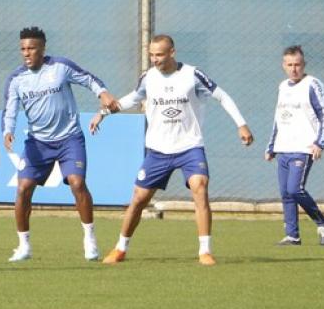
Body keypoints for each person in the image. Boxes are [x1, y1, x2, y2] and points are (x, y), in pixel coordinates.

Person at [90, 34, 253, 266]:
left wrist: (241, 124)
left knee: (200, 187)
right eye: (151, 55)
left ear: (172, 53)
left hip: (189, 147)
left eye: (159, 55)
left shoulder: (192, 75)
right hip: (158, 150)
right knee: (138, 199)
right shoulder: (148, 77)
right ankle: (120, 248)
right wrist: (103, 113)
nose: (155, 59)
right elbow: (132, 99)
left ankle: (205, 251)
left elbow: (222, 96)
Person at [2, 26, 119, 263]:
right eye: (23, 49)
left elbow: (88, 79)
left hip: (69, 138)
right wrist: (7, 130)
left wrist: (103, 94)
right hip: (38, 142)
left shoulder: (60, 67)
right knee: (23, 188)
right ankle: (23, 246)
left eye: (31, 48)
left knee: (77, 183)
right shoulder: (16, 79)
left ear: (42, 49)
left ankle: (89, 238)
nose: (26, 53)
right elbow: (10, 109)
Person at [265, 45, 324, 247]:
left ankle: (323, 222)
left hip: (303, 148)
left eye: (297, 64)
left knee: (295, 189)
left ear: (304, 65)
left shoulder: (313, 84)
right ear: (283, 66)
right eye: (290, 65)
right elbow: (278, 118)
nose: (294, 69)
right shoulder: (282, 86)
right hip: (283, 148)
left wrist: (320, 143)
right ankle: (292, 235)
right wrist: (271, 146)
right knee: (286, 193)